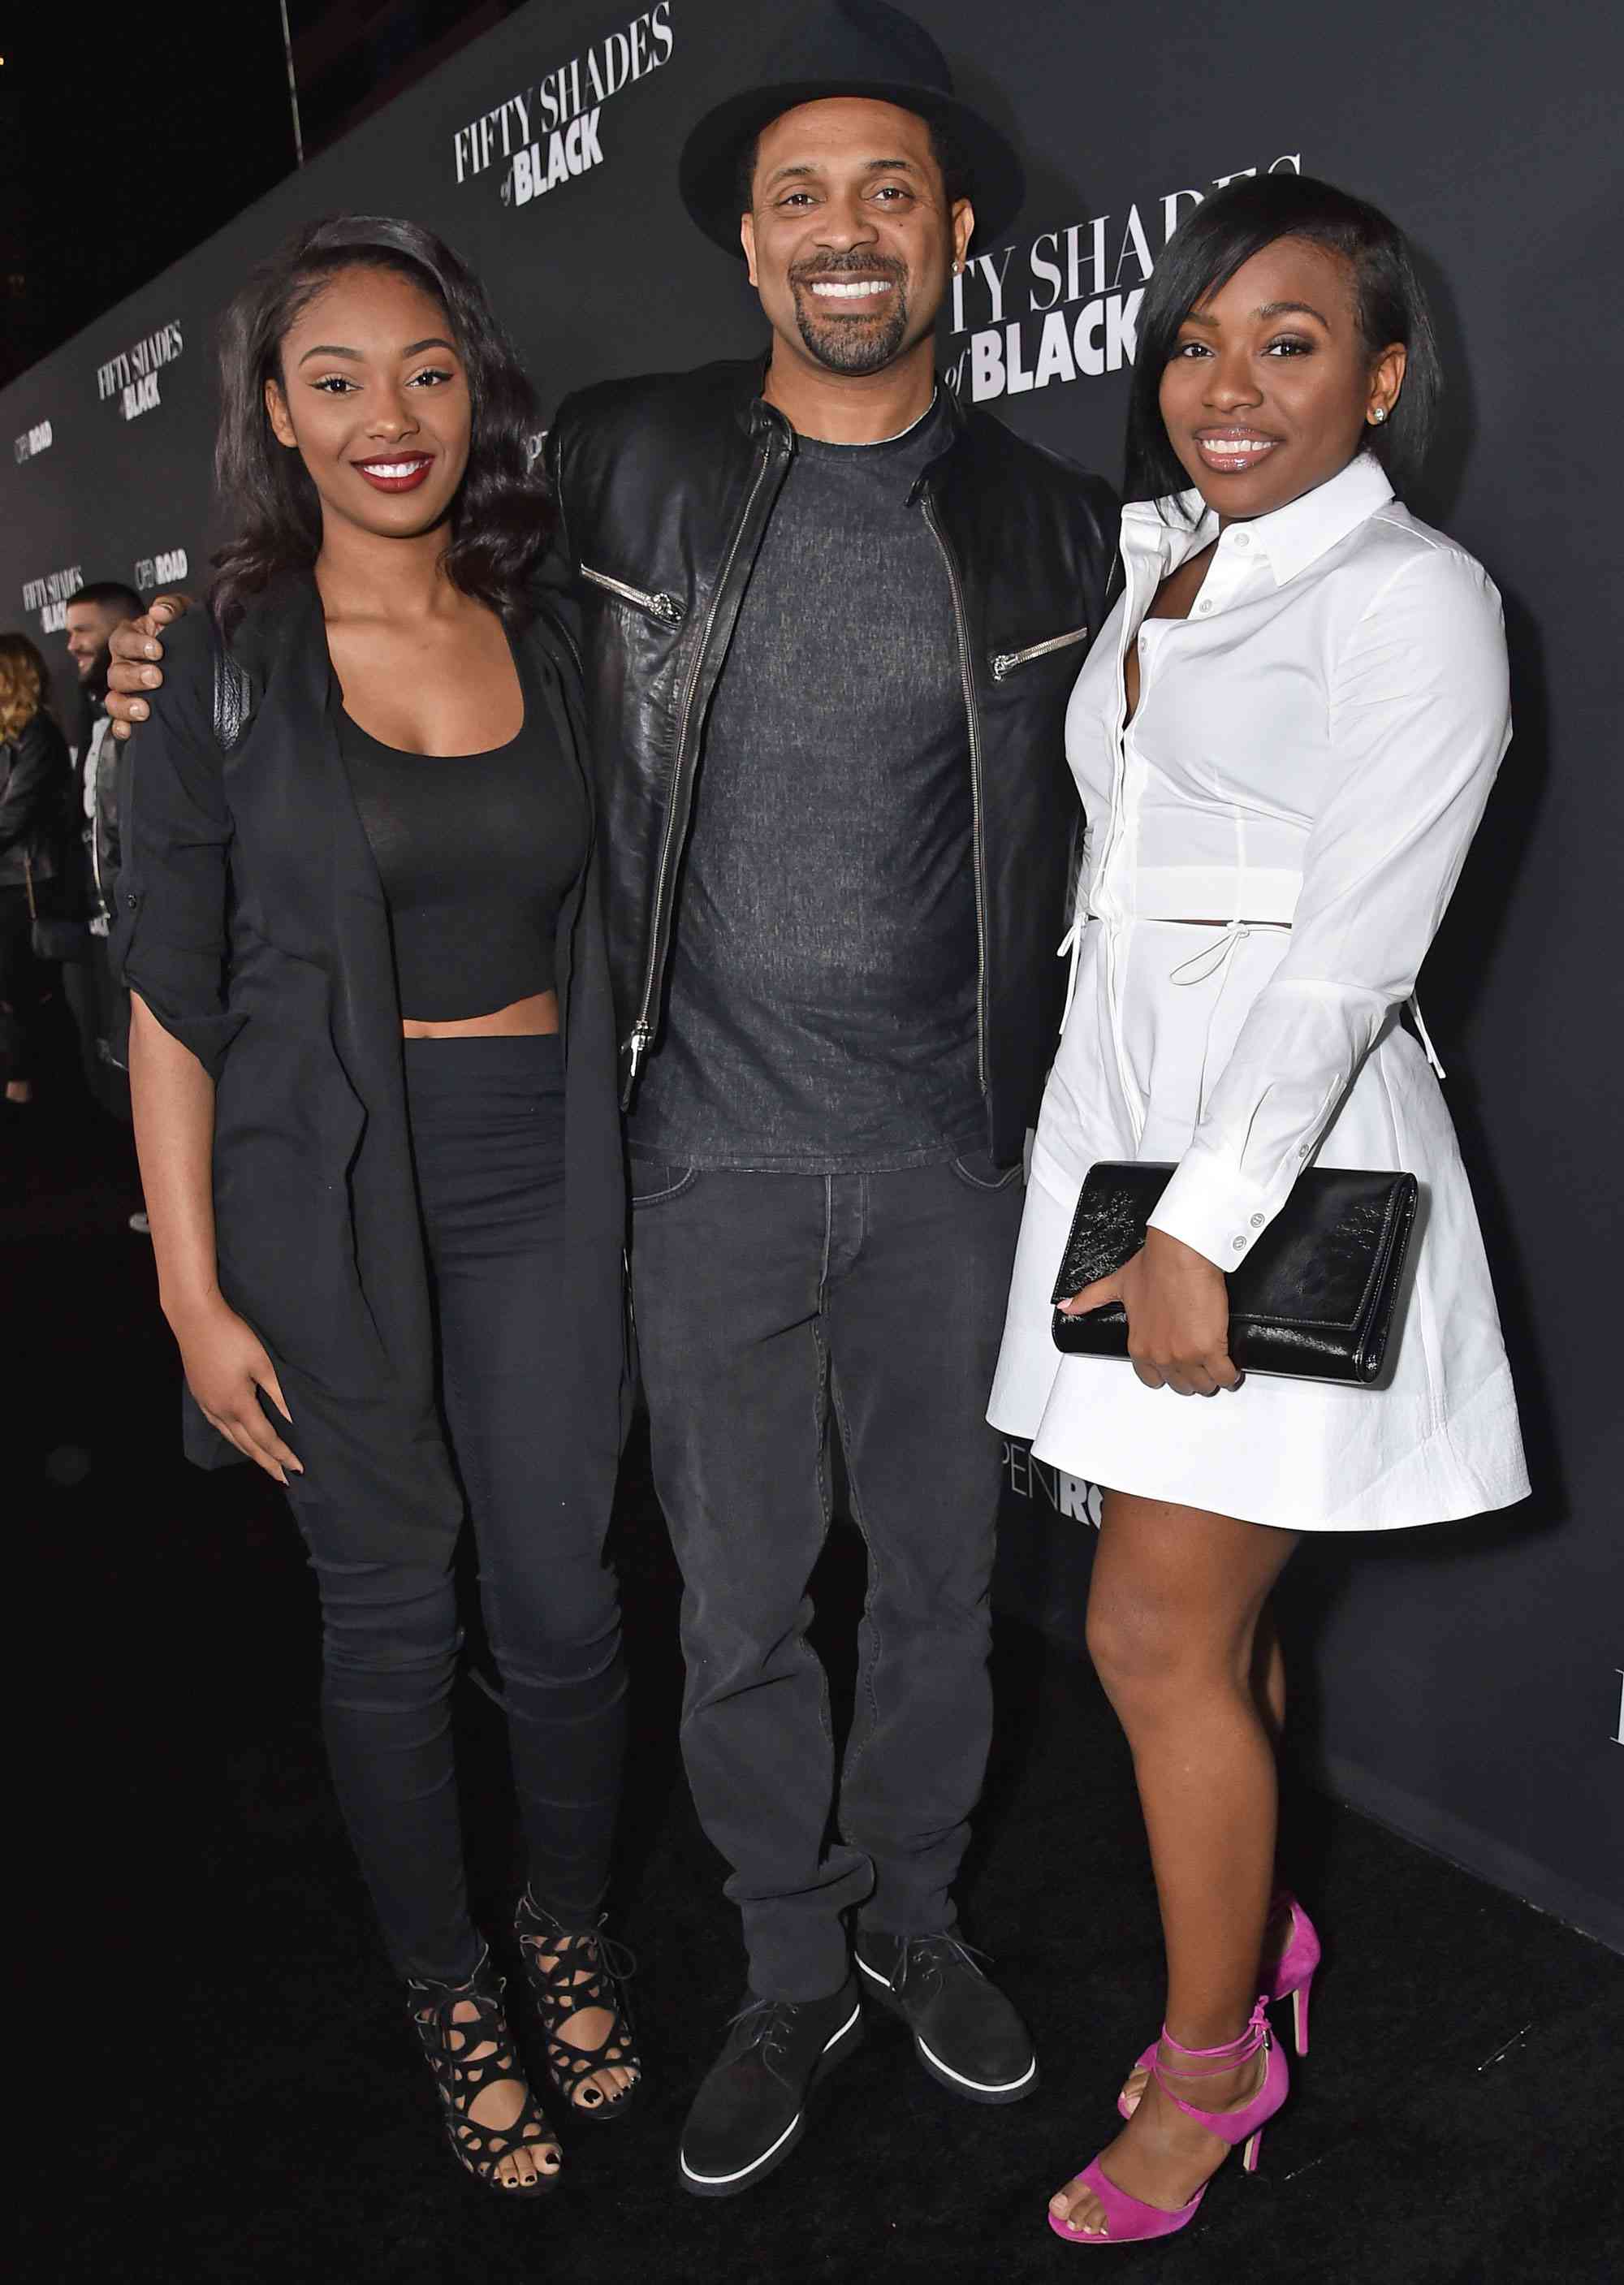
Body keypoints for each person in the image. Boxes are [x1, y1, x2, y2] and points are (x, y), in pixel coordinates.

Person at [110, 1, 1121, 2201]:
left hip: (943, 1156)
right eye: (796, 199)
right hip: (685, 1168)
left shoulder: (1061, 532)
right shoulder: (630, 480)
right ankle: (780, 1959)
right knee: (728, 1607)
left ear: (951, 230)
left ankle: (915, 1918)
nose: (842, 236)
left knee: (931, 1593)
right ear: (747, 253)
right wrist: (160, 657)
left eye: (885, 194)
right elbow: (321, 690)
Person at [985, 171, 1528, 2247]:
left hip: (1258, 1171)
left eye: (1285, 343)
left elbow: (1349, 950)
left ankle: (1209, 2073)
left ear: (1379, 375)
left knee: (1146, 1633)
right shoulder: (1175, 571)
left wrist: (1202, 1225)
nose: (1226, 386)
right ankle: (1258, 1957)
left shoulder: (1412, 599)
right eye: (1196, 341)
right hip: (1117, 1142)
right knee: (1202, 1629)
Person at [114, 215, 637, 2196]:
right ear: (275, 416)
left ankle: (569, 1930)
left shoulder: (553, 628)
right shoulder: (226, 668)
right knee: (389, 1617)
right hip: (319, 1189)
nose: (385, 416)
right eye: (333, 380)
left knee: (567, 1607)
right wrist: (187, 1288)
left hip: (538, 1168)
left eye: (422, 371)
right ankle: (447, 1992)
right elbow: (172, 991)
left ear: (472, 390)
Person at [0, 633, 74, 1106]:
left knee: (27, 990)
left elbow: (14, 815)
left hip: (28, 881)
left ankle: (33, 1088)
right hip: (7, 878)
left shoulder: (39, 736)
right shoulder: (7, 737)